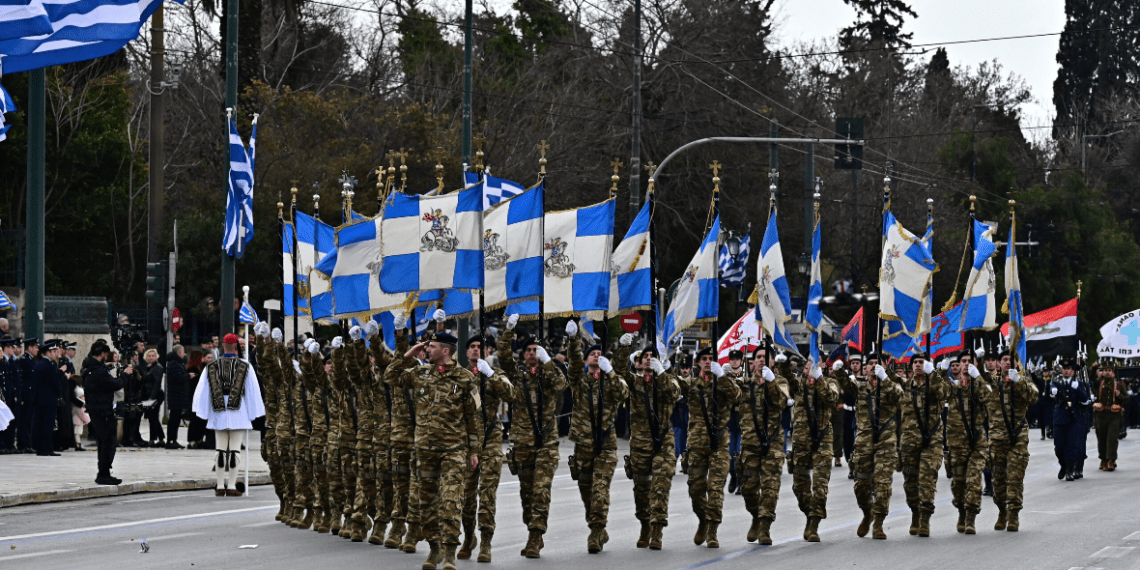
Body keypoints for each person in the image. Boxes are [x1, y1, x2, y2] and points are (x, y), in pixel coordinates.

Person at [386, 327, 482, 570]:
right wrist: (408, 354)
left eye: (432, 346)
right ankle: (435, 547)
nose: (427, 349)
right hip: (425, 451)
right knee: (426, 504)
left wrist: (473, 451)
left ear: (446, 350)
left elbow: (474, 417)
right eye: (427, 346)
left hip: (453, 451)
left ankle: (450, 552)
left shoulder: (465, 378)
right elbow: (389, 377)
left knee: (450, 502)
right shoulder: (420, 373)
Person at [498, 314, 567, 559]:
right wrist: (508, 330)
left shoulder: (549, 373)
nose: (531, 353)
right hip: (523, 443)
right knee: (527, 493)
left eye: (535, 350)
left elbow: (561, 385)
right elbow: (503, 356)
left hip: (546, 442)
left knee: (541, 490)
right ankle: (532, 526)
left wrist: (548, 362)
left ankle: (535, 537)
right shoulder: (517, 374)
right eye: (528, 350)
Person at [564, 321, 629, 554]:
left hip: (606, 444)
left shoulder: (610, 381)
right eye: (593, 353)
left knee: (600, 488)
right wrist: (573, 340)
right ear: (587, 359)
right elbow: (572, 364)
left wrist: (611, 370)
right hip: (583, 444)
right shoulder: (579, 380)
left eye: (600, 354)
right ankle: (598, 526)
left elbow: (623, 392)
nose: (596, 356)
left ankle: (595, 531)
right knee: (586, 491)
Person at [456, 333, 513, 562]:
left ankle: (486, 542)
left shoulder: (495, 374)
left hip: (490, 440)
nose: (477, 350)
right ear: (466, 351)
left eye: (481, 347)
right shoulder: (458, 376)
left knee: (487, 495)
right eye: (473, 346)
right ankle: (469, 537)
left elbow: (511, 395)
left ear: (487, 352)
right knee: (467, 497)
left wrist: (490, 376)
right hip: (467, 443)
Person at [835, 354, 903, 539]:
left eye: (877, 364)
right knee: (861, 485)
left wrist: (885, 379)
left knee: (882, 483)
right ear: (865, 368)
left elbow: (900, 397)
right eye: (870, 364)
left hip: (886, 440)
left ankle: (879, 523)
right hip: (864, 439)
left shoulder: (891, 384)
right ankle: (867, 513)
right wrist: (839, 371)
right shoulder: (861, 386)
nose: (873, 367)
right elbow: (847, 386)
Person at [192, 333, 265, 497]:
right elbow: (252, 391)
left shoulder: (211, 366)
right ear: (236, 347)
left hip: (218, 411)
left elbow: (203, 391)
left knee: (219, 449)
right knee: (235, 450)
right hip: (238, 410)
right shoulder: (245, 366)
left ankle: (219, 485)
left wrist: (203, 410)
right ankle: (231, 485)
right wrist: (255, 413)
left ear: (223, 346)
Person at [683, 346, 742, 549]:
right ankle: (703, 519)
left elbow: (737, 396)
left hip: (719, 445)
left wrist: (723, 378)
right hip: (697, 445)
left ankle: (712, 530)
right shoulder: (691, 384)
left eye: (711, 358)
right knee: (696, 489)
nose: (708, 362)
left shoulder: (724, 384)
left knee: (715, 488)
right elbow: (671, 388)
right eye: (704, 359)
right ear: (698, 362)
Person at [736, 348, 790, 546]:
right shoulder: (744, 384)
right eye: (757, 358)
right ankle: (756, 516)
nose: (760, 361)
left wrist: (772, 383)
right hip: (750, 444)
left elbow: (782, 401)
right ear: (752, 362)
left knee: (770, 487)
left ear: (772, 362)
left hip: (773, 442)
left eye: (764, 357)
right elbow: (725, 396)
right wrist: (722, 377)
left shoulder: (780, 382)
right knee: (749, 488)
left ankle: (765, 527)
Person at [898, 353, 953, 538]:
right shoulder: (905, 386)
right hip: (909, 442)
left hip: (932, 441)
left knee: (927, 480)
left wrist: (933, 375)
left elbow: (944, 393)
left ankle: (925, 518)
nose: (918, 365)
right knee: (910, 484)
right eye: (915, 363)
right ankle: (915, 512)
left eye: (921, 362)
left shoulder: (935, 383)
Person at [788, 356, 841, 542]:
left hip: (822, 439)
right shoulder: (799, 383)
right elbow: (787, 381)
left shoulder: (830, 382)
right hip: (801, 441)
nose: (811, 365)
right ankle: (810, 511)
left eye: (816, 362)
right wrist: (781, 364)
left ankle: (813, 524)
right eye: (809, 362)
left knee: (820, 485)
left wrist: (819, 379)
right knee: (800, 487)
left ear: (824, 365)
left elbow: (832, 398)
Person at [988, 350, 1038, 532]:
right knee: (998, 480)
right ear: (999, 363)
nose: (1008, 363)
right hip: (997, 439)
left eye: (1012, 360)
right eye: (1005, 360)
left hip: (1017, 439)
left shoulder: (1022, 381)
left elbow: (1034, 397)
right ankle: (1002, 510)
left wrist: (1019, 382)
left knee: (1015, 478)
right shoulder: (992, 382)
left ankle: (1014, 514)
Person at [947, 350, 993, 534]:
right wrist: (940, 372)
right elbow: (934, 391)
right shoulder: (951, 387)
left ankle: (970, 518)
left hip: (977, 443)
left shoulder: (981, 384)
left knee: (974, 481)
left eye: (969, 361)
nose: (966, 364)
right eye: (963, 361)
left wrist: (978, 378)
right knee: (958, 484)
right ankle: (961, 511)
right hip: (957, 444)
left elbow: (990, 400)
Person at [84, 342, 126, 485]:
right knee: (108, 442)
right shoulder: (99, 371)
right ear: (102, 354)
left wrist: (105, 368)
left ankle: (103, 472)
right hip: (104, 410)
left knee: (103, 441)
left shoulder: (88, 367)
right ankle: (104, 473)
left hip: (95, 409)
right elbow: (115, 384)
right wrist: (125, 375)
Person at [1051, 358, 1089, 481]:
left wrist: (1077, 389)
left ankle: (1069, 471)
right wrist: (1052, 392)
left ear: (1073, 371)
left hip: (1074, 418)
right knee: (1059, 447)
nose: (1066, 371)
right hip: (1060, 418)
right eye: (1064, 369)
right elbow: (1050, 394)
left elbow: (1085, 399)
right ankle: (1063, 465)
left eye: (1069, 369)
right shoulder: (1056, 383)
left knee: (1072, 446)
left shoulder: (1079, 383)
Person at [1092, 358, 1129, 472]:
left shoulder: (1118, 384)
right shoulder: (1099, 382)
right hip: (1101, 415)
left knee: (1112, 439)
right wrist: (1093, 368)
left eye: (1109, 370)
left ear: (1113, 372)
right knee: (1102, 438)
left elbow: (1127, 399)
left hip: (1114, 416)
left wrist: (1119, 396)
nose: (1107, 372)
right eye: (1105, 370)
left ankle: (1111, 460)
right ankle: (1103, 459)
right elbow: (1092, 379)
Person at [31, 339, 64, 456]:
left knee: (41, 424)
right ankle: (47, 449)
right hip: (49, 400)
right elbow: (56, 383)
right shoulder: (49, 365)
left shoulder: (39, 364)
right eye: (54, 351)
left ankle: (41, 448)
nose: (57, 354)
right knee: (48, 425)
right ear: (48, 353)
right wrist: (60, 396)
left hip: (40, 400)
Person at [165, 344, 193, 449]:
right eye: (183, 352)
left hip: (177, 396)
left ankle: (173, 439)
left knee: (176, 419)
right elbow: (178, 378)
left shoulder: (177, 363)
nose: (184, 354)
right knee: (174, 419)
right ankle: (170, 440)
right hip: (176, 396)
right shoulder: (174, 364)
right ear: (178, 352)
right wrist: (188, 375)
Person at [140, 348, 166, 447]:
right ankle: (160, 438)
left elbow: (156, 383)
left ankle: (152, 439)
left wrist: (152, 398)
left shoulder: (157, 367)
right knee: (153, 417)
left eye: (153, 356)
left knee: (153, 417)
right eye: (149, 356)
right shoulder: (148, 367)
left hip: (155, 396)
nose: (151, 358)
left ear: (156, 357)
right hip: (149, 396)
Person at [72, 385, 89, 451]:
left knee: (77, 433)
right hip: (78, 420)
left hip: (77, 419)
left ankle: (78, 444)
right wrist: (87, 420)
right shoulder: (79, 404)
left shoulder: (76, 403)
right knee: (77, 433)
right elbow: (81, 413)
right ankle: (78, 445)